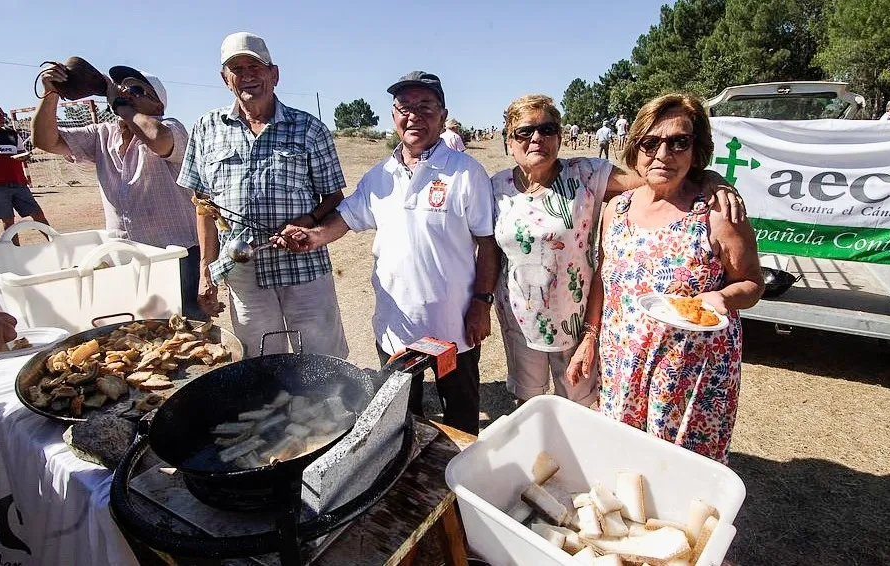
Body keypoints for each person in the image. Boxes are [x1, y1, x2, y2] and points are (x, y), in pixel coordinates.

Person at [273, 71, 498, 435]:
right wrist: (313, 237)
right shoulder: (380, 176)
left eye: (425, 107)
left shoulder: (466, 173)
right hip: (396, 329)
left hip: (454, 327)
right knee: (401, 422)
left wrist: (481, 304)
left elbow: (487, 243)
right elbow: (346, 218)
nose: (414, 116)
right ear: (393, 116)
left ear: (442, 115)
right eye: (404, 107)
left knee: (461, 419)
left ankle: (462, 472)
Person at [492, 94, 745, 408]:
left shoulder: (586, 174)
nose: (536, 138)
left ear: (559, 136)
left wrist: (710, 178)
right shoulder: (496, 187)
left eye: (547, 129)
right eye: (524, 131)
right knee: (527, 402)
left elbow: (656, 174)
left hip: (574, 316)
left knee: (576, 406)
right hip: (519, 317)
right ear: (509, 139)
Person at [566, 93, 764, 463]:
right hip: (622, 363)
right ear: (636, 147)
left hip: (690, 372)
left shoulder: (718, 213)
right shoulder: (616, 209)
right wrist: (589, 338)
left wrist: (725, 297)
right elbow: (603, 281)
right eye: (650, 142)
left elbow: (753, 283)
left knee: (678, 471)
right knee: (622, 461)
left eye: (678, 142)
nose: (663, 154)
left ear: (696, 149)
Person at [178, 32, 348, 359]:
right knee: (260, 364)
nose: (247, 75)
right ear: (225, 79)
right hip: (244, 276)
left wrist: (308, 221)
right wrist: (205, 272)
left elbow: (334, 197)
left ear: (274, 74)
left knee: (323, 362)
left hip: (305, 270)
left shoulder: (309, 128)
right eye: (237, 68)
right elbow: (203, 207)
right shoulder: (205, 128)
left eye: (255, 66)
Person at [31, 66, 205, 319]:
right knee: (137, 324)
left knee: (187, 322)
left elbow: (159, 140)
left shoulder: (171, 127)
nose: (125, 92)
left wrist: (121, 105)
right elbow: (45, 141)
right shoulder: (102, 134)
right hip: (125, 255)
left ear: (158, 105)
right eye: (121, 87)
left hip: (176, 257)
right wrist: (51, 93)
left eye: (136, 89)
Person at [0, 104, 52, 245]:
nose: (3, 117)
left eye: (3, 114)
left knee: (37, 213)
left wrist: (24, 156)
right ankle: (15, 250)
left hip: (18, 181)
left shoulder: (12, 133)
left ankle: (54, 242)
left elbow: (22, 152)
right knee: (8, 221)